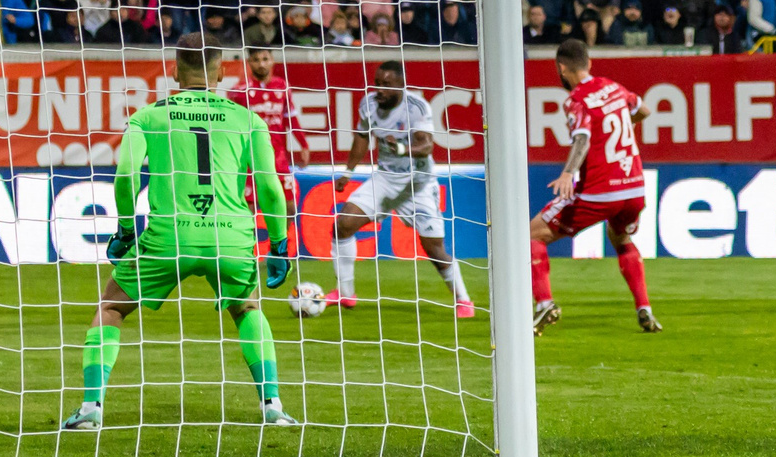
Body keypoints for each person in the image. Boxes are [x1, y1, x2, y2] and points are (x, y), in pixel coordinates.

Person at [64, 36, 297, 431]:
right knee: (247, 308)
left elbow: (124, 177)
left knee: (111, 308)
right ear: (221, 72)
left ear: (174, 71)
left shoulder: (148, 116)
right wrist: (279, 243)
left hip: (169, 235)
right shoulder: (248, 118)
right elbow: (271, 187)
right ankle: (272, 405)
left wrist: (124, 229)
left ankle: (90, 410)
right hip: (230, 235)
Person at [330, 57, 474, 317]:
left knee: (434, 248)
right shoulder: (369, 104)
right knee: (343, 225)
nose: (380, 90)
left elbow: (427, 146)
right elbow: (362, 137)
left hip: (416, 183)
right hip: (385, 178)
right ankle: (345, 292)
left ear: (401, 85)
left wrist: (400, 148)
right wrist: (347, 172)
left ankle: (463, 300)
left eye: (386, 85)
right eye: (377, 84)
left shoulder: (416, 107)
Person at [529, 39, 657, 333]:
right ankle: (644, 309)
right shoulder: (613, 87)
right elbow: (645, 110)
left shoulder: (577, 99)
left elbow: (583, 138)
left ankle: (544, 304)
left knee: (532, 236)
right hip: (635, 189)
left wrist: (567, 173)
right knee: (622, 240)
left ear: (562, 68)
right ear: (589, 63)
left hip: (601, 191)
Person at [222, 44, 305, 248]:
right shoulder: (238, 92)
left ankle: (278, 249)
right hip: (250, 158)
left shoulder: (282, 87)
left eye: (265, 59)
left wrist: (303, 144)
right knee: (248, 207)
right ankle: (247, 251)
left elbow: (290, 118)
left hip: (278, 158)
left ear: (273, 61)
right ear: (249, 63)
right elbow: (231, 127)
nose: (261, 64)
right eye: (257, 60)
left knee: (289, 206)